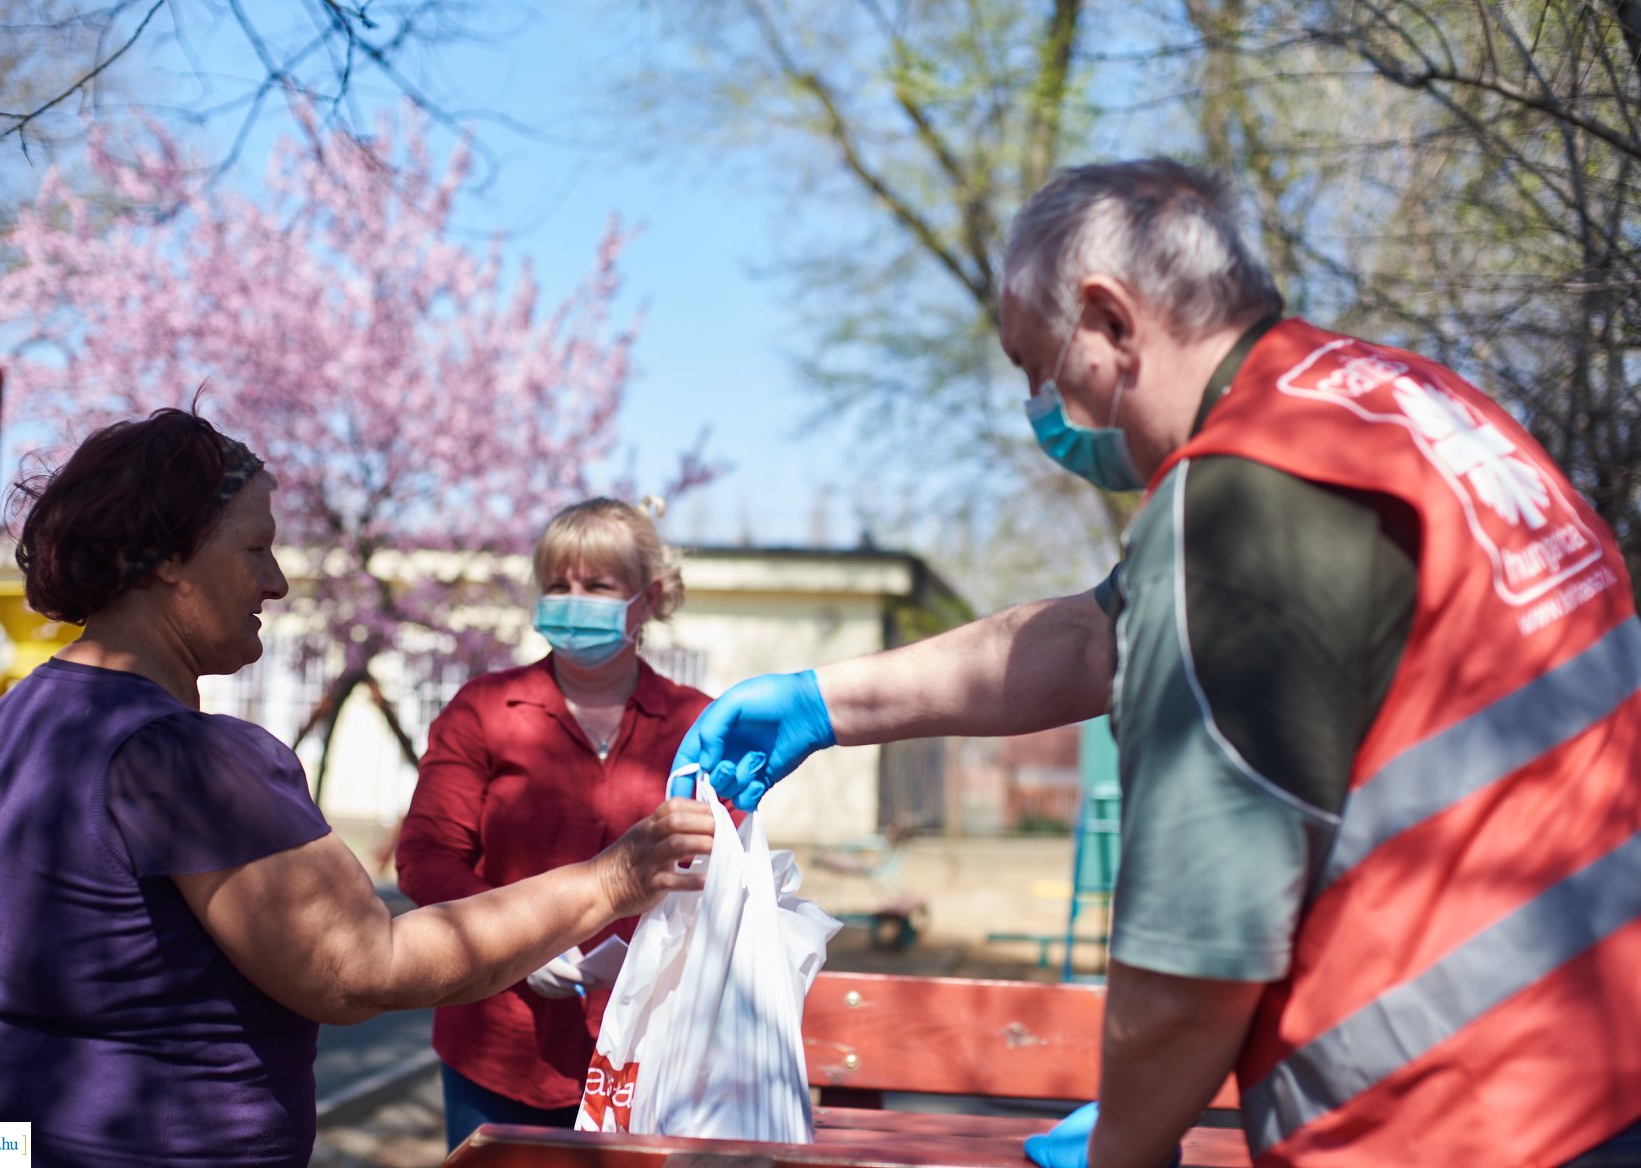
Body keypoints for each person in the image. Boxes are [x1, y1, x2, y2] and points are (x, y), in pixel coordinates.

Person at [672, 158, 1641, 1168]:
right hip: (1600, 1054)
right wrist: (825, 702)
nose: (1038, 402)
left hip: (1456, 1122)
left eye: (1036, 363)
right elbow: (1096, 637)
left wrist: (1127, 1145)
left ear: (1109, 321)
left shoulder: (1241, 500)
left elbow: (1194, 960)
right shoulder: (1401, 410)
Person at [0, 410, 715, 1168]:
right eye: (255, 549)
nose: (278, 581)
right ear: (169, 561)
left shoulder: (19, 717)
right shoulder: (183, 758)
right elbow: (364, 966)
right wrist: (612, 877)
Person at [394, 497, 712, 1149]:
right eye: (557, 586)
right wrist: (516, 937)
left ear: (646, 600)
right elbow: (425, 856)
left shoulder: (699, 724)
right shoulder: (482, 709)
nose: (573, 601)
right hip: (498, 1048)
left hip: (655, 1050)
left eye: (597, 586)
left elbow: (721, 872)